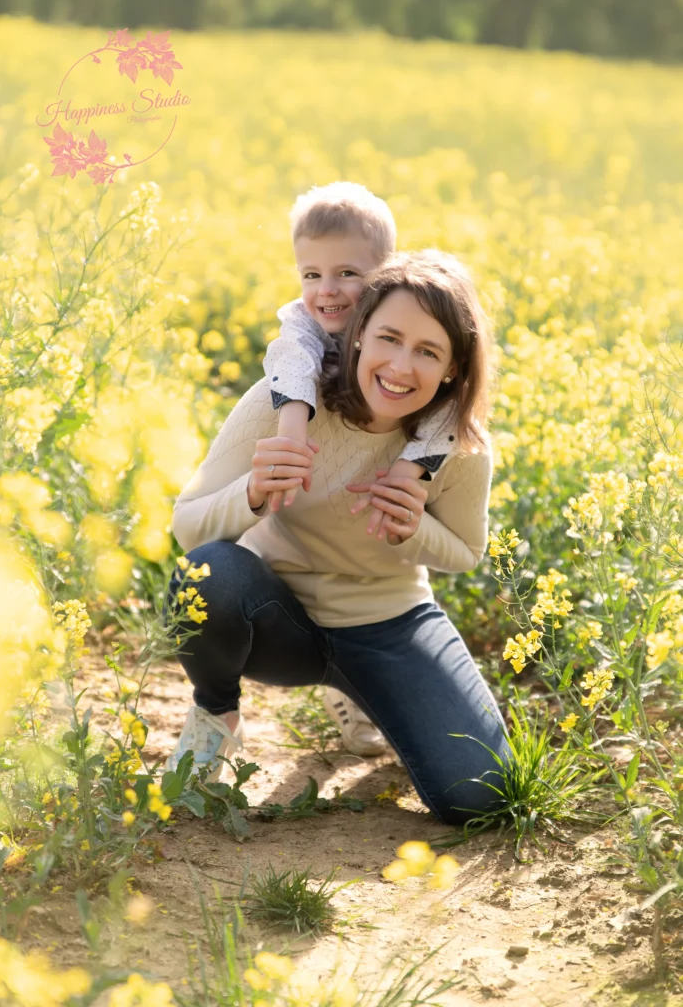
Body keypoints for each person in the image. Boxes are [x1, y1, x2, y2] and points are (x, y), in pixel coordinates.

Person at [165, 250, 513, 825]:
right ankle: (216, 717)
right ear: (356, 335)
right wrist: (252, 492)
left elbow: (466, 552)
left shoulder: (461, 448)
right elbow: (187, 525)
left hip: (391, 626)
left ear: (453, 368)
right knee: (209, 575)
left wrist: (412, 528)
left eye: (428, 352)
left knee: (480, 795)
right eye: (389, 338)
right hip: (280, 619)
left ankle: (365, 692)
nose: (401, 366)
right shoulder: (283, 405)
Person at [263, 182, 462, 756]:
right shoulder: (305, 325)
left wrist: (414, 470)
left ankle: (362, 680)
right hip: (314, 485)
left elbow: (452, 400)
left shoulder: (409, 321)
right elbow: (292, 360)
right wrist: (293, 424)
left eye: (347, 274)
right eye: (310, 274)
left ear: (385, 275)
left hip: (376, 528)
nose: (326, 291)